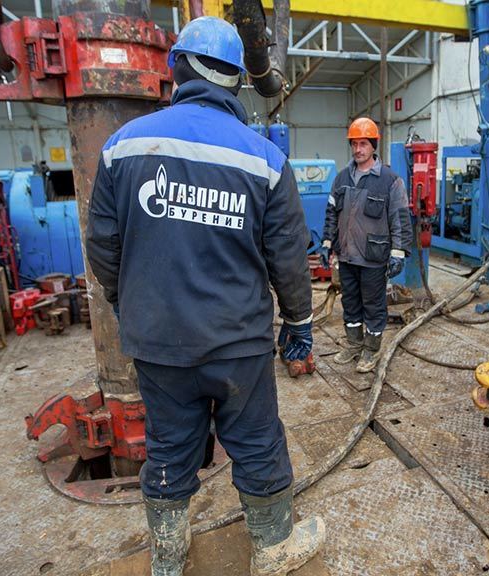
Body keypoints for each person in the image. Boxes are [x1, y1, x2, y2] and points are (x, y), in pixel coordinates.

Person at [86, 16, 325, 576]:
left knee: (168, 446)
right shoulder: (265, 160)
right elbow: (289, 260)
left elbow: (102, 245)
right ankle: (273, 549)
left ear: (177, 68)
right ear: (238, 80)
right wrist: (299, 325)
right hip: (237, 344)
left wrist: (127, 303)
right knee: (257, 441)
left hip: (158, 341)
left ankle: (168, 557)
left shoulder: (124, 146)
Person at [318, 118, 412, 373]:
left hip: (373, 257)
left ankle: (371, 350)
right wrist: (327, 243)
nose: (358, 149)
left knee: (373, 305)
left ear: (373, 146)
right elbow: (331, 213)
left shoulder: (390, 180)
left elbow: (400, 219)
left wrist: (398, 253)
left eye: (363, 144)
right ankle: (354, 345)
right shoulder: (341, 178)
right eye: (354, 144)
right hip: (347, 256)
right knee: (350, 303)